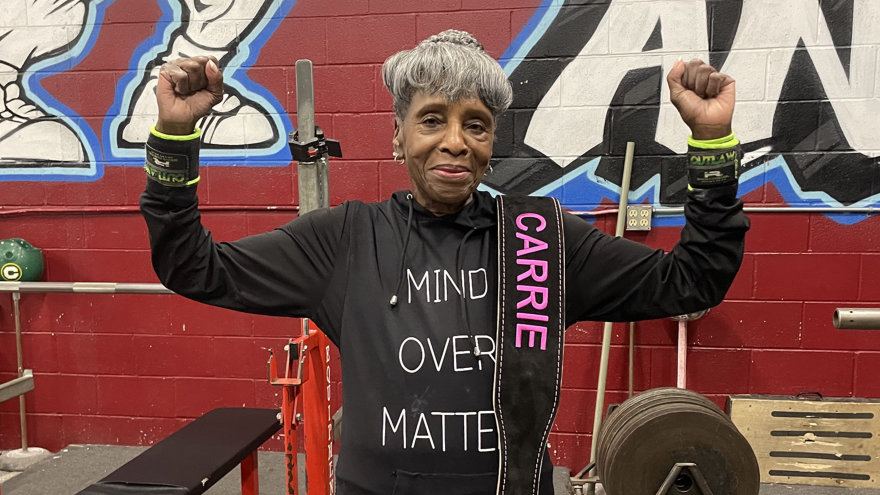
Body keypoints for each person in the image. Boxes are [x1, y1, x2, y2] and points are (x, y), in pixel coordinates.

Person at [140, 30, 749, 495]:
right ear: (398, 134)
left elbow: (692, 279)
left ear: (490, 144)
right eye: (432, 120)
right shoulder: (347, 239)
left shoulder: (540, 241)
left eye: (476, 125)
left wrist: (713, 144)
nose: (455, 140)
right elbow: (194, 268)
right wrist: (173, 133)